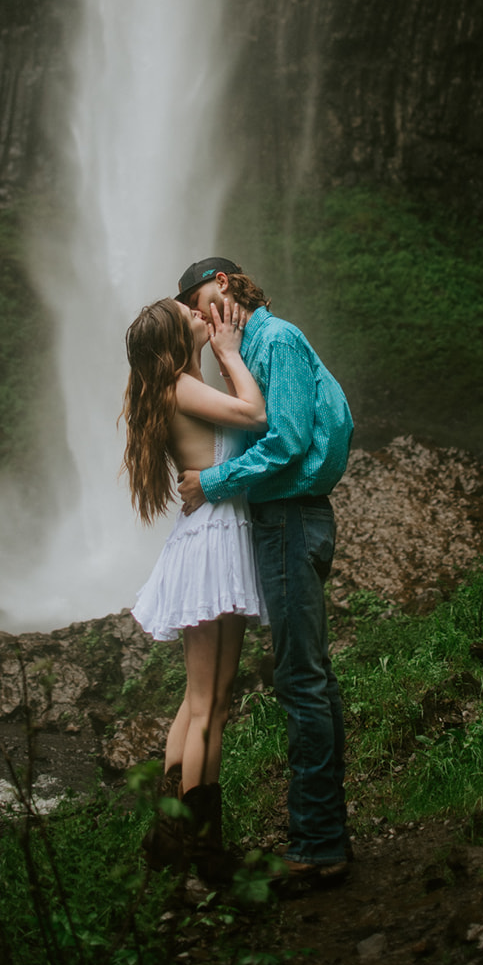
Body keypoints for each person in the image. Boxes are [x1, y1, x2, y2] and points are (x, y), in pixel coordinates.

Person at [175, 257, 354, 886]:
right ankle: (324, 835)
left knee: (300, 679)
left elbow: (287, 441)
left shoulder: (274, 339)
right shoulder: (248, 349)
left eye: (197, 299)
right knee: (311, 676)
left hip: (289, 517)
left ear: (224, 284)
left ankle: (318, 847)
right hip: (285, 518)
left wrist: (211, 483)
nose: (197, 315)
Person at [123, 294, 270, 880]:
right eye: (190, 319)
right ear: (175, 342)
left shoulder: (177, 387)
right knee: (212, 701)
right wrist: (232, 353)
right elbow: (255, 416)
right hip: (213, 538)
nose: (201, 316)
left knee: (201, 694)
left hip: (206, 535)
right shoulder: (181, 389)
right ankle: (203, 847)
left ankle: (169, 833)